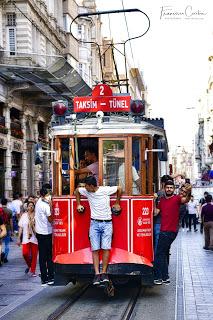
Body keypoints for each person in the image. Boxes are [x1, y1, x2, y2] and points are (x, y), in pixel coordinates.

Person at [75, 176, 122, 285]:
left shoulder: (105, 190)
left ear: (91, 186)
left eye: (86, 186)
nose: (85, 188)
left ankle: (104, 273)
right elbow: (77, 190)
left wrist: (117, 202)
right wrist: (78, 204)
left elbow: (119, 188)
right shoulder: (87, 191)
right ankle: (97, 274)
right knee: (95, 249)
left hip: (107, 223)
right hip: (94, 223)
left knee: (106, 248)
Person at [154, 180, 191, 285]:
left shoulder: (177, 198)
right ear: (164, 188)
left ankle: (158, 277)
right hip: (163, 230)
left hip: (169, 231)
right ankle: (165, 278)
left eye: (171, 187)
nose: (169, 189)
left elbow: (186, 200)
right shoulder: (161, 200)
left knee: (158, 254)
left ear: (173, 189)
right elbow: (155, 212)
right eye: (167, 187)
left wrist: (189, 192)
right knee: (163, 254)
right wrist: (153, 200)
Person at [35, 188, 54, 286]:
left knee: (42, 257)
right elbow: (50, 219)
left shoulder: (38, 202)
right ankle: (51, 277)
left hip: (39, 232)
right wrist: (51, 205)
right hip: (46, 232)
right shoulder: (45, 205)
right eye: (48, 195)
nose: (49, 197)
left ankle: (44, 279)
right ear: (44, 196)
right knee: (49, 256)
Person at [17, 201, 38, 276]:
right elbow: (20, 227)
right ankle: (29, 265)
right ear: (27, 207)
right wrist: (19, 238)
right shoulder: (24, 216)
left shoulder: (36, 215)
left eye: (32, 205)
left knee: (34, 255)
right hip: (26, 238)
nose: (31, 207)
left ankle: (33, 271)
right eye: (29, 205)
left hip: (35, 238)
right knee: (25, 253)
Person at [1, 198, 13, 263]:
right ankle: (5, 257)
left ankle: (1, 255)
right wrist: (12, 230)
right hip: (7, 229)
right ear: (6, 203)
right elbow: (11, 222)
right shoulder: (9, 211)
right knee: (7, 244)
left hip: (0, 229)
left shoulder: (0, 210)